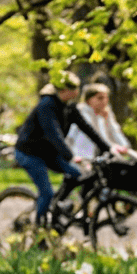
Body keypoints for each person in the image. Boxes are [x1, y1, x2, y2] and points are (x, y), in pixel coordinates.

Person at [16, 82, 111, 222]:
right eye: (74, 88)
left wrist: (107, 148)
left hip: (50, 153)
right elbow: (53, 134)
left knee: (78, 175)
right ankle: (40, 231)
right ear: (64, 90)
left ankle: (56, 206)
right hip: (30, 154)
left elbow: (87, 129)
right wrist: (71, 156)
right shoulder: (46, 105)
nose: (77, 91)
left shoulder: (69, 107)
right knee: (46, 193)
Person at [71, 83, 135, 163]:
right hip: (83, 154)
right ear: (88, 100)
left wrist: (125, 146)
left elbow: (115, 132)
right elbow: (96, 135)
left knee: (133, 159)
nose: (104, 101)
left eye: (106, 98)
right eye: (100, 98)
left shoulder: (106, 112)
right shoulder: (81, 112)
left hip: (103, 151)